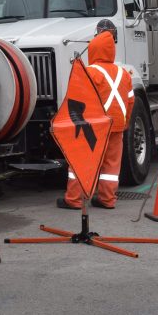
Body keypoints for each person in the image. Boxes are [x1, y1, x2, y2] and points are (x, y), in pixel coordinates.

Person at [57, 19, 134, 210]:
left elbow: (76, 101)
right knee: (111, 166)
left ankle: (73, 199)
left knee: (80, 161)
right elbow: (130, 101)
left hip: (94, 126)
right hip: (117, 125)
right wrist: (125, 123)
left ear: (93, 48)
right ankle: (107, 199)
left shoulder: (89, 72)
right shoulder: (124, 73)